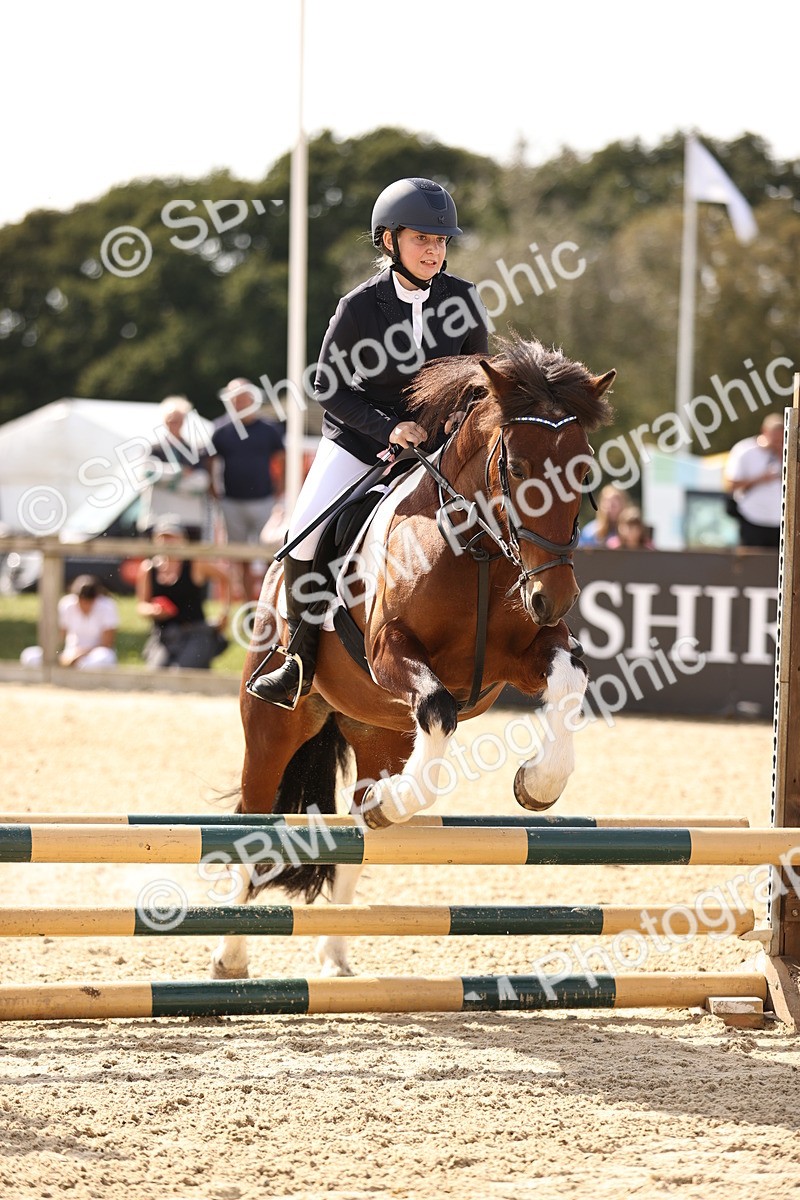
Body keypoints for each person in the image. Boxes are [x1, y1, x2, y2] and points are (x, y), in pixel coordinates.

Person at [247, 176, 489, 707]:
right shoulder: (359, 305)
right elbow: (326, 386)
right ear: (389, 240)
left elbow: (478, 378)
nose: (433, 250)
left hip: (437, 448)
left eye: (440, 240)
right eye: (422, 239)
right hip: (360, 443)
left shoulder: (464, 299)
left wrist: (458, 420)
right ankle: (298, 662)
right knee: (303, 535)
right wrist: (387, 428)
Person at [211, 378, 286, 599]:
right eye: (234, 399)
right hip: (232, 501)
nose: (238, 403)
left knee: (270, 554)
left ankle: (269, 601)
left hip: (264, 500)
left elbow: (282, 459)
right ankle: (247, 603)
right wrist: (213, 489)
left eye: (242, 398)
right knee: (240, 557)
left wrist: (280, 487)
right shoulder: (220, 429)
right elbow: (211, 462)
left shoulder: (269, 429)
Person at [136, 517, 232, 670]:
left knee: (181, 672)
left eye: (171, 537)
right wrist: (154, 610)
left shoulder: (195, 563)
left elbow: (225, 578)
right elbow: (141, 605)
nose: (167, 543)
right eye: (162, 537)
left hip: (195, 632)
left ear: (183, 540)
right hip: (163, 635)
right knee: (155, 675)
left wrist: (224, 613)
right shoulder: (148, 568)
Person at [137, 396, 212, 541]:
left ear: (183, 421)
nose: (173, 423)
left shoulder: (196, 451)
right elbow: (149, 473)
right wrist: (180, 473)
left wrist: (166, 481)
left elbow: (201, 482)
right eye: (170, 420)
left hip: (189, 518)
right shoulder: (153, 449)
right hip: (157, 517)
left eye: (177, 420)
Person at [20, 575, 119, 670]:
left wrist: (79, 654)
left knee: (101, 659)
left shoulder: (107, 606)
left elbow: (107, 643)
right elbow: (59, 636)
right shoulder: (67, 604)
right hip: (69, 653)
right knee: (30, 656)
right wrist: (60, 655)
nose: (85, 605)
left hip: (93, 654)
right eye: (82, 601)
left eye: (89, 602)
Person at [724, 413, 784, 548]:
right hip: (751, 519)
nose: (778, 443)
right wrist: (760, 479)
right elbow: (730, 484)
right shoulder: (744, 450)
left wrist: (781, 455)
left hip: (779, 521)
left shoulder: (785, 453)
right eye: (775, 438)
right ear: (765, 431)